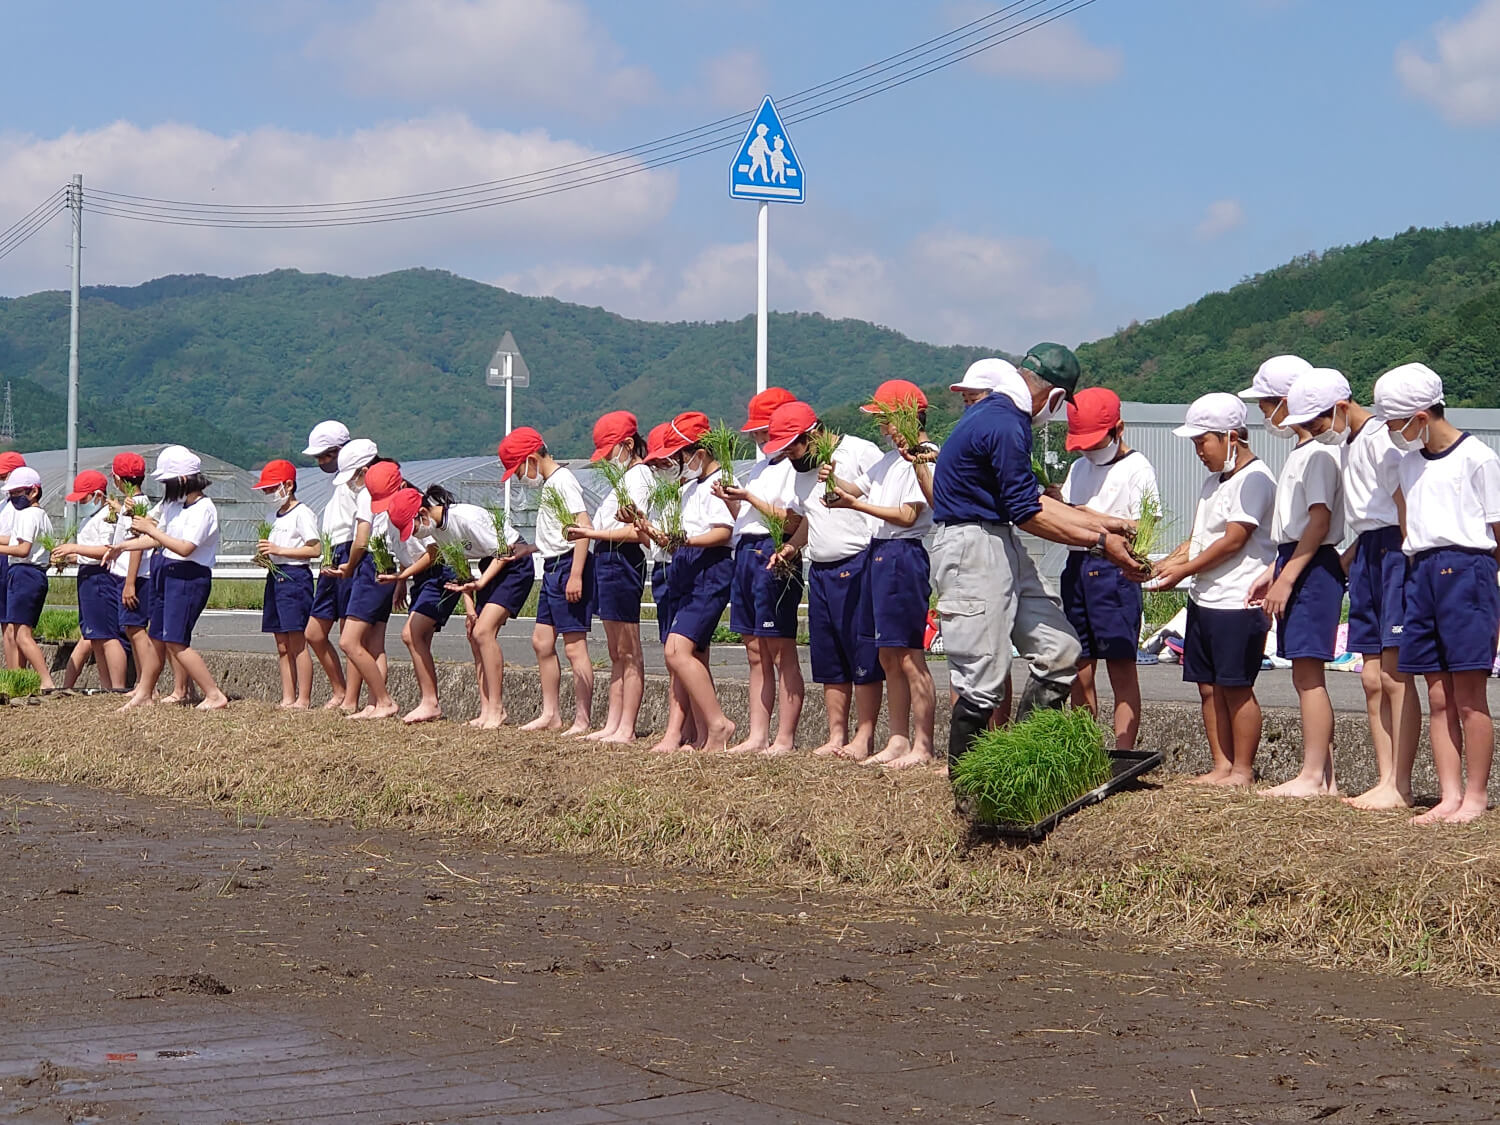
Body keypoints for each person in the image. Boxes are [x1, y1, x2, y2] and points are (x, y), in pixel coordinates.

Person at [932, 342, 1144, 775]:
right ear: (1055, 399)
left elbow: (1036, 502)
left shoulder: (994, 413)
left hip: (996, 540)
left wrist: (1105, 528)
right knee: (983, 678)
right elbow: (1028, 513)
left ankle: (1021, 762)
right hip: (974, 546)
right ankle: (971, 790)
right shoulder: (1008, 424)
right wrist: (1102, 543)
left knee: (1061, 649)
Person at [1377, 362, 1500, 824]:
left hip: (1469, 570)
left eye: (1396, 422)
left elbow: (1496, 530)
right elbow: (1410, 523)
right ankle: (1448, 795)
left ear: (1422, 416)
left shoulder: (1479, 458)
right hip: (1422, 570)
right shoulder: (1409, 465)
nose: (1394, 431)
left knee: (1469, 692)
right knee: (1437, 692)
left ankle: (1476, 794)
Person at [1149, 395, 1276, 786]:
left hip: (1238, 600)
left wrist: (1182, 570)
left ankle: (1242, 769)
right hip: (1204, 599)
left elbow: (1234, 540)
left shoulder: (1256, 479)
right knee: (1207, 686)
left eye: (1202, 441)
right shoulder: (1211, 483)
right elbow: (1198, 539)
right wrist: (1161, 565)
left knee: (1235, 686)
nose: (1198, 451)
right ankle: (1221, 765)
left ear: (1231, 437)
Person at [823, 379, 939, 768]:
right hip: (879, 553)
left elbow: (908, 515)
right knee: (888, 653)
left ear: (907, 416)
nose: (883, 427)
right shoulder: (888, 460)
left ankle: (923, 743)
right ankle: (898, 738)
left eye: (887, 419)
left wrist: (855, 505)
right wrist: (830, 476)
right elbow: (856, 488)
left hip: (903, 554)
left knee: (908, 653)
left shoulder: (925, 456)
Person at [1246, 368, 1349, 798]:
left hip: (1311, 565)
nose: (1266, 414)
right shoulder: (1305, 453)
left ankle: (1313, 776)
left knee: (1309, 675)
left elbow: (1319, 521)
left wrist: (1286, 577)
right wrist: (1274, 569)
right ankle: (1322, 776)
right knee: (1303, 674)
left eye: (1268, 405)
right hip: (1297, 559)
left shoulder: (1319, 454)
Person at [764, 401, 885, 760]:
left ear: (813, 434)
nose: (788, 455)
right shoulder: (799, 472)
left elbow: (880, 502)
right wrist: (790, 547)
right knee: (829, 656)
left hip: (859, 562)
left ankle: (864, 735)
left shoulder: (861, 451)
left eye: (792, 446)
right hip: (821, 569)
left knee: (861, 652)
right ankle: (837, 735)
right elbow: (807, 519)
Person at [1060, 388, 1158, 750]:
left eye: (1094, 441)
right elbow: (1066, 515)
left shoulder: (1136, 467)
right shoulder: (1078, 466)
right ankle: (1082, 745)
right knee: (1078, 664)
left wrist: (1089, 516)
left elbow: (1142, 526)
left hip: (1114, 570)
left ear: (1119, 429)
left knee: (1120, 663)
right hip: (1077, 565)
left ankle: (1123, 750)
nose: (1088, 450)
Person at [1337, 377, 1419, 810]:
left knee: (1393, 673)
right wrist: (1353, 552)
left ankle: (1400, 782)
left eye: (1315, 418)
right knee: (1370, 677)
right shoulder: (1349, 441)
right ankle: (1383, 776)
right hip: (1368, 547)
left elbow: (1402, 501)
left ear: (1339, 405)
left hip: (1393, 550)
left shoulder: (1378, 439)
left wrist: (1407, 553)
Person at [715, 386, 804, 757]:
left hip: (774, 550)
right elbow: (746, 520)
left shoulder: (794, 468)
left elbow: (792, 520)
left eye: (764, 430)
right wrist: (733, 501)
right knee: (754, 647)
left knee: (779, 646)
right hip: (747, 551)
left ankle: (784, 736)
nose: (759, 437)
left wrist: (749, 498)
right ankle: (757, 734)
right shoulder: (761, 467)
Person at [641, 411, 737, 752]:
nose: (678, 462)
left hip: (709, 571)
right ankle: (702, 733)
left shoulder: (721, 482)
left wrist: (684, 542)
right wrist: (649, 529)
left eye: (680, 455)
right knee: (692, 652)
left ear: (698, 451)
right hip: (687, 568)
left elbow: (723, 533)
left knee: (676, 649)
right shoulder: (689, 488)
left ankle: (718, 724)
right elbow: (676, 536)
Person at [108, 446, 228, 711]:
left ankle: (214, 693)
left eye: (167, 482)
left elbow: (185, 547)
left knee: (176, 639)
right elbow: (152, 532)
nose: (164, 488)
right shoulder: (172, 504)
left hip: (187, 576)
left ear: (182, 480)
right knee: (156, 636)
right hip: (165, 571)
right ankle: (145, 692)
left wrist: (151, 530)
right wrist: (123, 546)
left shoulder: (203, 509)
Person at [499, 427, 596, 736]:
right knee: (542, 641)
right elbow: (559, 531)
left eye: (517, 470)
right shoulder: (551, 485)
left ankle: (582, 718)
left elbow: (583, 528)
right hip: (553, 566)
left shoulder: (563, 481)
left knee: (574, 646)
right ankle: (551, 713)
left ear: (531, 458)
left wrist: (577, 574)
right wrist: (531, 547)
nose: (518, 477)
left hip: (568, 566)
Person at [566, 412, 653, 744]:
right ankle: (613, 722)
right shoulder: (624, 480)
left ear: (627, 445)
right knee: (616, 650)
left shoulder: (640, 476)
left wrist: (590, 531)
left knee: (629, 649)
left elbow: (636, 530)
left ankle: (626, 726)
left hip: (622, 561)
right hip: (606, 560)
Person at [423, 484, 535, 729]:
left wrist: (482, 582)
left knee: (484, 632)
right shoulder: (438, 531)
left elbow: (504, 550)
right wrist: (470, 608)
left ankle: (497, 708)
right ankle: (486, 709)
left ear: (423, 513)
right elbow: (461, 568)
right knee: (474, 633)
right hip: (489, 566)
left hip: (513, 562)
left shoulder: (464, 518)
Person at [373, 484, 460, 724]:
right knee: (419, 639)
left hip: (439, 574)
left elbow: (433, 553)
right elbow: (406, 552)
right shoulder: (395, 518)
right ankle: (428, 700)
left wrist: (402, 577)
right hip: (420, 578)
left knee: (411, 635)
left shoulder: (422, 517)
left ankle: (430, 701)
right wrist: (402, 582)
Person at [323, 442, 398, 720]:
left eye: (354, 475)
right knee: (375, 642)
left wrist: (349, 566)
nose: (353, 482)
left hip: (370, 565)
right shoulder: (393, 484)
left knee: (349, 641)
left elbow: (361, 539)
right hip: (387, 564)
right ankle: (374, 704)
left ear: (365, 469)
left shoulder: (369, 491)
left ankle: (384, 700)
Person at [638, 423, 698, 754]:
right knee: (672, 653)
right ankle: (684, 728)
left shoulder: (694, 492)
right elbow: (656, 544)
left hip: (683, 570)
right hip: (662, 570)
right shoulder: (666, 494)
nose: (661, 468)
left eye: (666, 461)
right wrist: (643, 527)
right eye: (656, 464)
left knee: (680, 653)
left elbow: (682, 543)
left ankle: (680, 729)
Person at [252, 459, 321, 710]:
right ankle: (287, 696)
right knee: (281, 642)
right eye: (266, 490)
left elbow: (315, 548)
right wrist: (266, 557)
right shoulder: (273, 515)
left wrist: (280, 550)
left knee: (297, 640)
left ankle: (303, 698)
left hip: (294, 578)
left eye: (272, 488)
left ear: (288, 486)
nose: (268, 494)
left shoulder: (302, 513)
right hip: (275, 576)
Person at [51, 470, 129, 692]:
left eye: (84, 498)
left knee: (108, 635)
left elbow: (106, 550)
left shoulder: (107, 517)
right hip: (88, 576)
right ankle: (106, 686)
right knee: (95, 636)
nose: (81, 503)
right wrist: (70, 557)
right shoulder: (90, 518)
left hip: (101, 578)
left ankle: (118, 686)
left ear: (97, 495)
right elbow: (89, 552)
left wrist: (74, 548)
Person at [303, 420, 353, 709]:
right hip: (332, 554)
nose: (322, 462)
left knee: (350, 633)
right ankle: (340, 689)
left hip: (351, 554)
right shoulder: (335, 484)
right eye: (319, 457)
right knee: (314, 632)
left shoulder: (361, 479)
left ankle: (351, 697)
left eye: (326, 455)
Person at [0, 466, 56, 691]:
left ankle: (45, 680)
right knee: (16, 630)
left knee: (22, 634)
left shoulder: (26, 516)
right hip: (33, 574)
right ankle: (20, 680)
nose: (14, 498)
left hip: (25, 573)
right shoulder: (42, 516)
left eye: (17, 493)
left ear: (33, 491)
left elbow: (22, 549)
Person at [108, 452, 153, 702]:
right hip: (127, 573)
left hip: (133, 575)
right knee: (131, 628)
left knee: (136, 629)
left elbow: (137, 544)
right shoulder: (133, 503)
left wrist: (130, 582)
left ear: (118, 479)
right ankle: (141, 682)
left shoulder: (138, 506)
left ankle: (149, 685)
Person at [0, 451, 29, 670]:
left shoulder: (21, 507)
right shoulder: (5, 503)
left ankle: (16, 673)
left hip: (9, 560)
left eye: (5, 475)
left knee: (13, 624)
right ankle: (11, 673)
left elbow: (17, 539)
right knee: (6, 623)